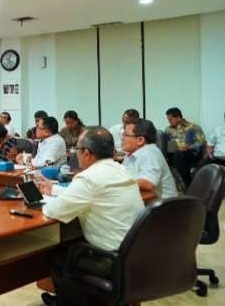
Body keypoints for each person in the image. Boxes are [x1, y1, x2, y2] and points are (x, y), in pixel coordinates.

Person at [39, 127, 144, 306]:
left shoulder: (88, 178)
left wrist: (42, 200)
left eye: (77, 150)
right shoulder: (121, 170)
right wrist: (55, 189)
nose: (76, 154)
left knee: (57, 254)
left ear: (86, 153)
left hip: (110, 260)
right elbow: (90, 193)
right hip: (136, 255)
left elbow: (53, 211)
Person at [122, 119, 177, 200]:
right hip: (145, 202)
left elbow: (148, 183)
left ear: (140, 140)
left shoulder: (150, 153)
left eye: (125, 135)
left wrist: (118, 182)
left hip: (164, 208)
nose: (122, 138)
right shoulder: (131, 153)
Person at [165, 107, 206, 186]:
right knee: (165, 153)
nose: (169, 122)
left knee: (179, 154)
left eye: (170, 119)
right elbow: (170, 145)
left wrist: (188, 147)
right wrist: (173, 148)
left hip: (191, 154)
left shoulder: (193, 127)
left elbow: (201, 142)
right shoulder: (168, 130)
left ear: (178, 117)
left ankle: (188, 184)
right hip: (175, 153)